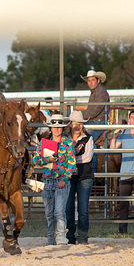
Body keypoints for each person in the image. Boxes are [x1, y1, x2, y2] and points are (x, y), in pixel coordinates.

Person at [32, 114, 75, 246]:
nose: (56, 129)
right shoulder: (43, 143)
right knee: (49, 213)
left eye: (59, 127)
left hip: (61, 181)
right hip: (48, 181)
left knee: (58, 212)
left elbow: (71, 164)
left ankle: (61, 238)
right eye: (54, 127)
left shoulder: (68, 144)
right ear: (51, 128)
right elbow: (35, 160)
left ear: (62, 128)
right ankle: (51, 238)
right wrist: (47, 160)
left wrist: (65, 179)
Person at [110, 109, 134, 236]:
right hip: (125, 172)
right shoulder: (124, 134)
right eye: (132, 117)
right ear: (129, 119)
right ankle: (122, 230)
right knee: (123, 203)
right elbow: (112, 148)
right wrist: (114, 135)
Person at [65, 111, 93, 245]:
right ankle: (70, 235)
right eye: (75, 124)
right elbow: (83, 158)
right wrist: (73, 155)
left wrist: (69, 157)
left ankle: (82, 236)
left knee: (82, 209)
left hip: (84, 176)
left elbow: (87, 158)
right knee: (68, 208)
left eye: (80, 124)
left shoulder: (88, 138)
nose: (78, 126)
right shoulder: (66, 139)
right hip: (71, 176)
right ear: (70, 124)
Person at [80, 70, 109, 146]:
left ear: (98, 80)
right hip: (93, 122)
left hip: (98, 123)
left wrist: (82, 118)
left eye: (93, 80)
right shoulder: (95, 92)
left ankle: (93, 157)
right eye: (88, 80)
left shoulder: (101, 92)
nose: (90, 82)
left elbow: (95, 110)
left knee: (88, 141)